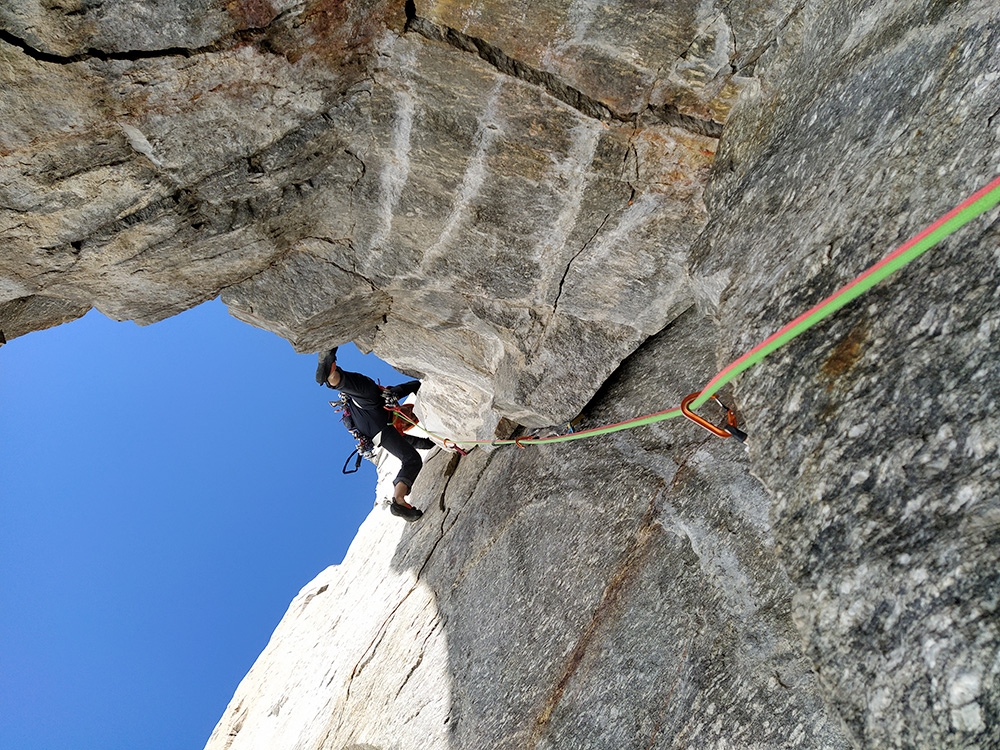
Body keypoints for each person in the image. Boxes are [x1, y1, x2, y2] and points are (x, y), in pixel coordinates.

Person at [316, 348, 434, 522]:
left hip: (371, 421)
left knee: (412, 459)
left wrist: (438, 441)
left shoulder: (396, 433)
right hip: (370, 409)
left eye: (411, 417)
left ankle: (399, 501)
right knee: (359, 387)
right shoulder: (394, 421)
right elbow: (414, 386)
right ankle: (330, 373)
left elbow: (423, 444)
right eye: (411, 414)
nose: (410, 416)